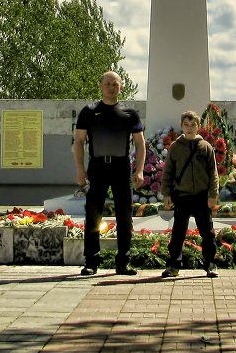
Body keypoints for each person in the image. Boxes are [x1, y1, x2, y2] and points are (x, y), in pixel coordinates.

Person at [73, 70, 146, 276]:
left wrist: (139, 170)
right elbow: (78, 142)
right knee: (93, 213)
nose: (112, 87)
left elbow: (140, 144)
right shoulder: (88, 111)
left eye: (115, 84)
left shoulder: (130, 114)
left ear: (121, 86)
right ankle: (91, 262)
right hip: (97, 167)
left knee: (125, 215)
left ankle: (123, 262)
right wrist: (80, 169)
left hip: (121, 167)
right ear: (101, 86)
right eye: (108, 84)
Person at [160, 110, 220, 279]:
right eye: (186, 124)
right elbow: (168, 173)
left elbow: (213, 173)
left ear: (198, 126)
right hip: (182, 196)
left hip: (201, 196)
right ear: (181, 126)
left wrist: (212, 194)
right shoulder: (175, 147)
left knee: (207, 232)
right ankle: (173, 265)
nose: (189, 127)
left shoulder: (205, 147)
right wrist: (166, 194)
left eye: (193, 124)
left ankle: (210, 263)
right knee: (178, 232)